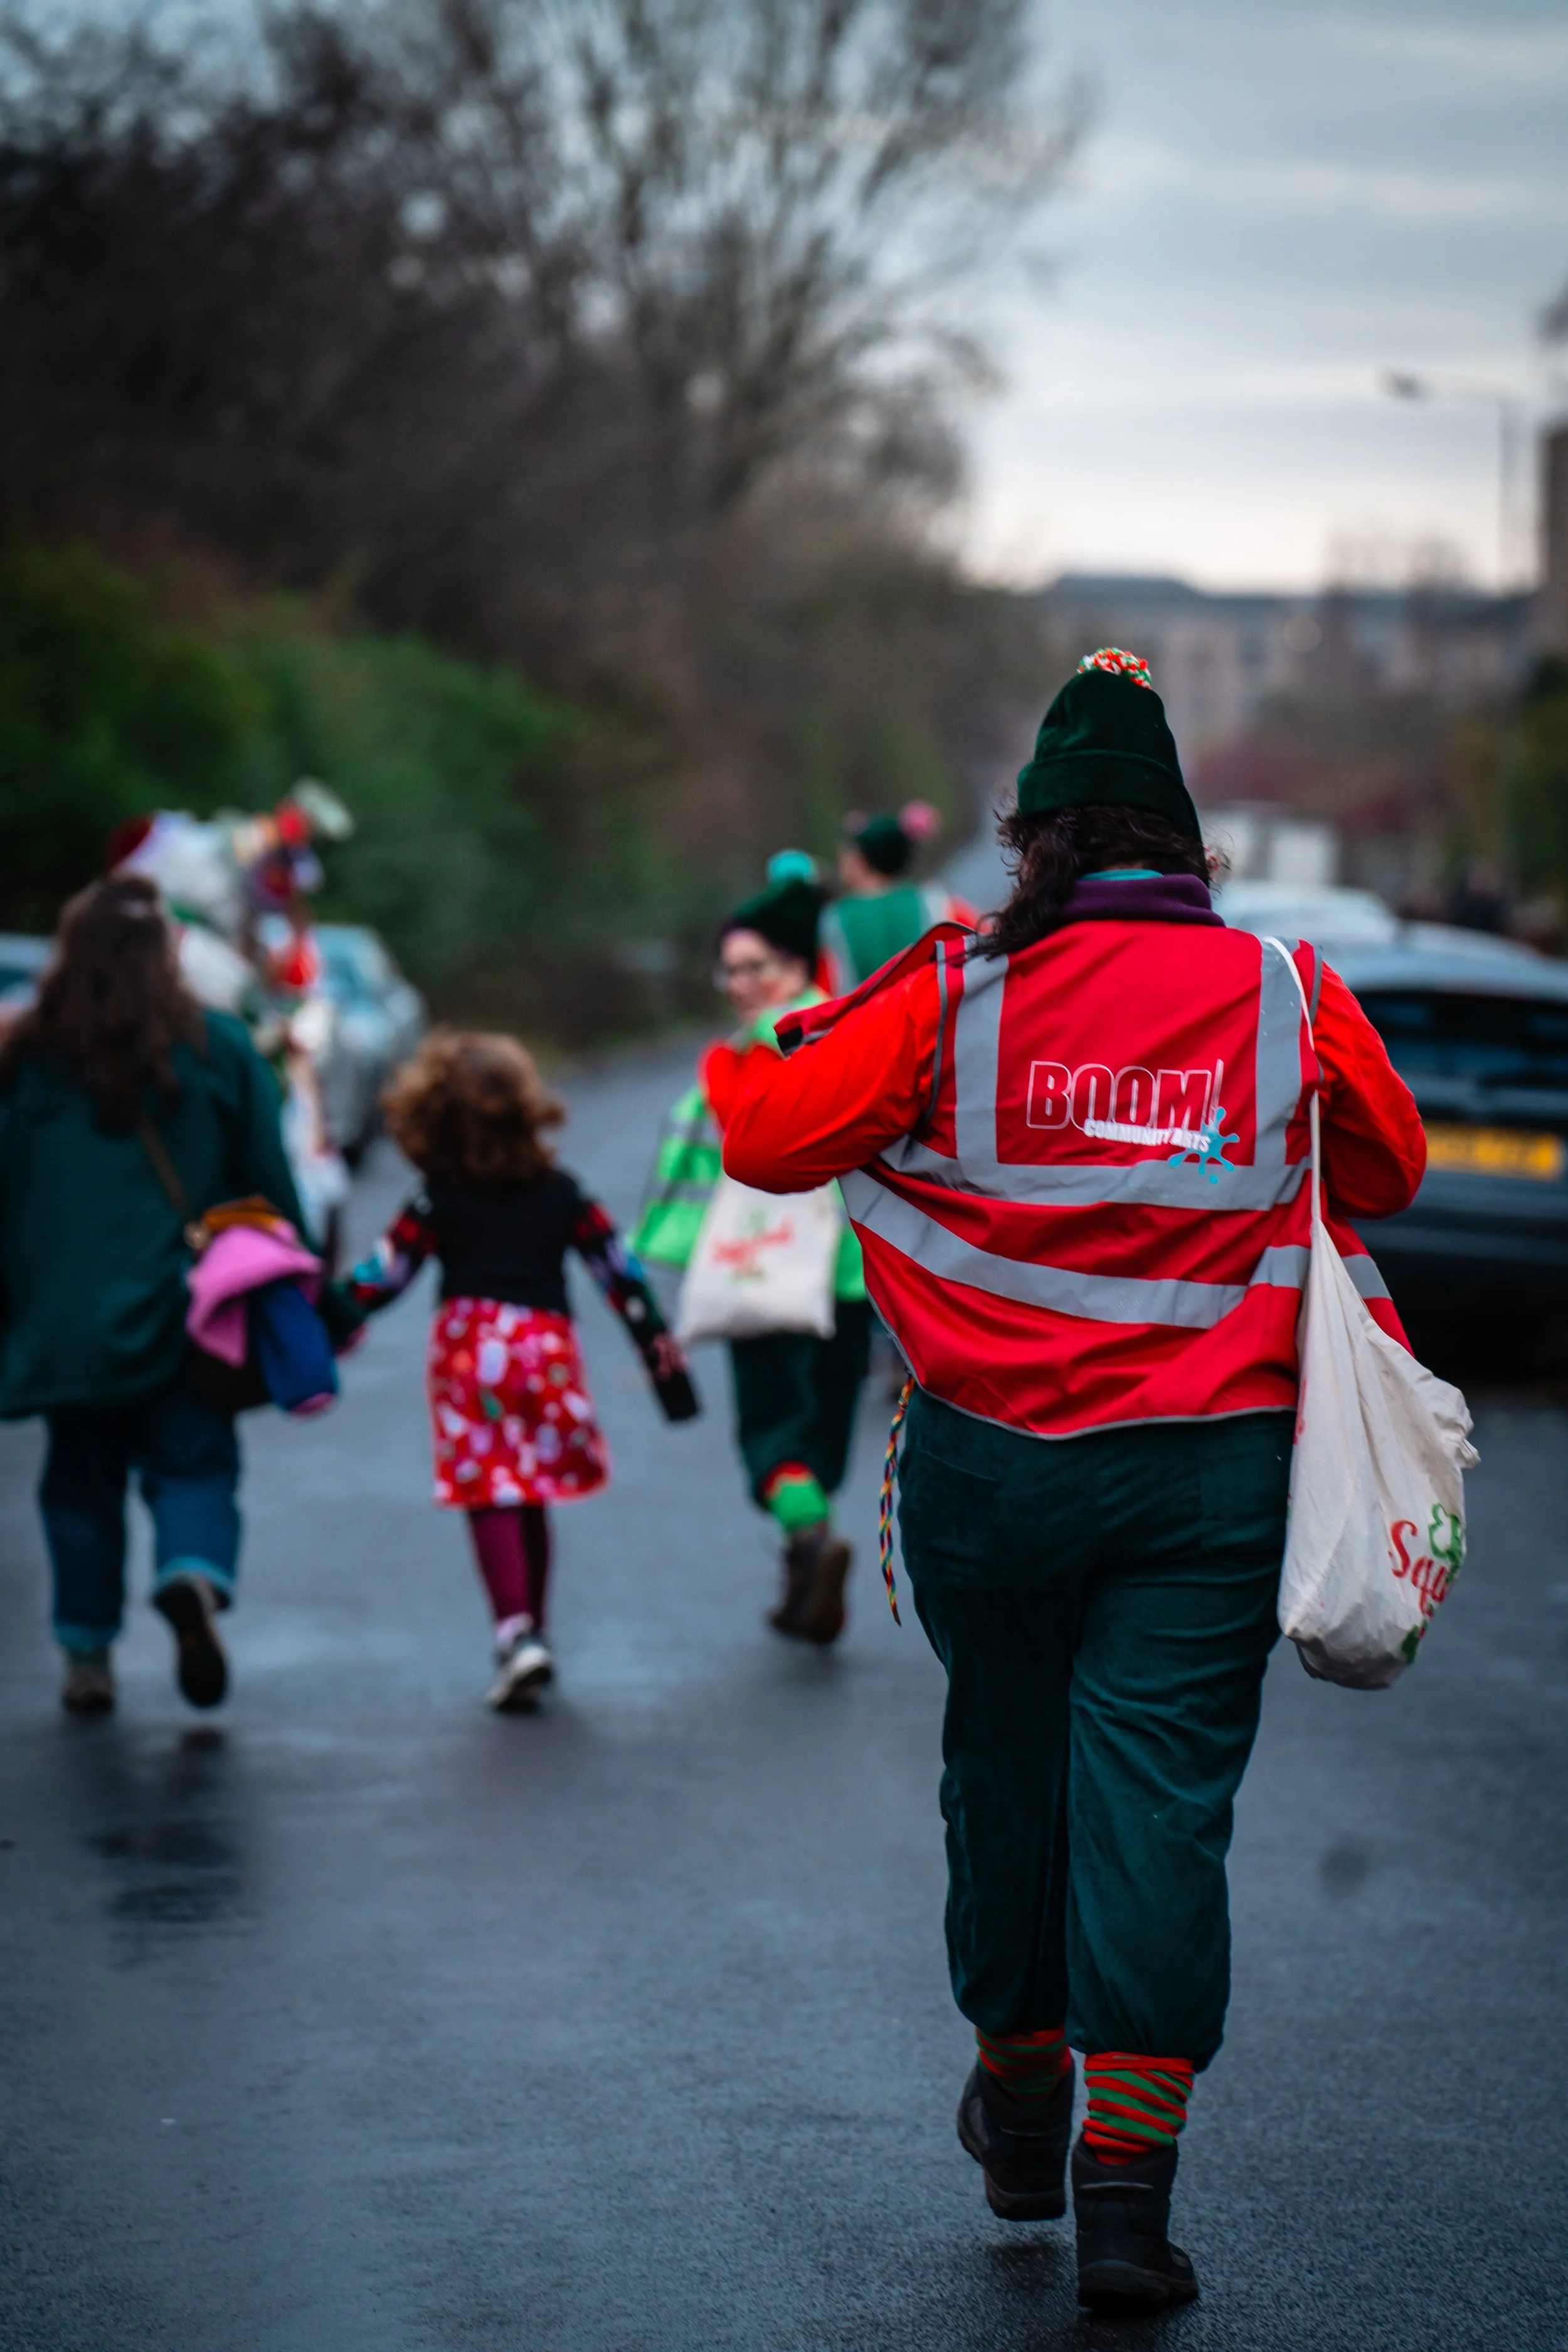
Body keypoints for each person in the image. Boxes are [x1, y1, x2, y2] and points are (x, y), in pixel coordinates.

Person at [720, 649, 1427, 2311]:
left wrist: (787, 1029)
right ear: (1185, 843)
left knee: (1003, 1766)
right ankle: (1124, 2196)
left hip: (991, 1474)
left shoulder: (950, 991)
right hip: (1209, 1480)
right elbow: (1385, 1168)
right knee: (1158, 1806)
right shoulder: (1287, 990)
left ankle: (1021, 2088)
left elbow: (761, 1133)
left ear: (1033, 839)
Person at [0, 876, 311, 1716]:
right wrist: (308, 1287)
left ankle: (87, 1652)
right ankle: (192, 1573)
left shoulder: (21, 1063)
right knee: (193, 1461)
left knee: (78, 1484)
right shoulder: (218, 1049)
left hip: (63, 1322)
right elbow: (269, 1189)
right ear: (167, 957)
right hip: (188, 1312)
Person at [336, 1031, 697, 1711]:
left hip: (470, 1352)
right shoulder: (562, 1193)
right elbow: (619, 1274)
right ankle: (535, 1630)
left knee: (490, 1487)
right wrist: (663, 1364)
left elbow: (384, 1276)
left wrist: (320, 1326)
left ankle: (515, 1631)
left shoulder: (436, 1198)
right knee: (530, 1485)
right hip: (545, 1350)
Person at [633, 876, 871, 1646]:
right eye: (730, 970)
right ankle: (805, 1570)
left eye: (754, 968)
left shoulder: (735, 1067)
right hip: (851, 1279)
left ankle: (808, 1540)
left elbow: (698, 1174)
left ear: (797, 967)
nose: (738, 984)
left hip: (762, 1277)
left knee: (772, 1441)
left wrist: (663, 1252)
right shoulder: (861, 1040)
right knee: (824, 1437)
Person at [819, 802, 973, 993]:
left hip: (866, 1012)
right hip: (932, 1007)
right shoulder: (936, 902)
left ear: (862, 859)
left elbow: (823, 988)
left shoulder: (834, 919)